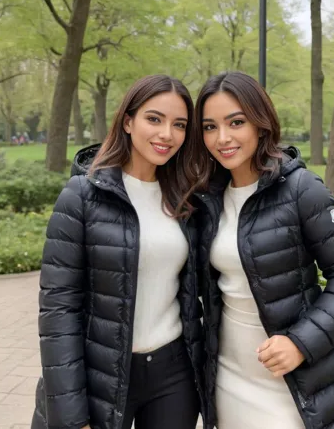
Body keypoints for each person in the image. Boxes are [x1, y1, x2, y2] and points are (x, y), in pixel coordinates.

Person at [191, 71, 334, 429]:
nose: (222, 138)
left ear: (260, 122)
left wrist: (301, 342)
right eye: (209, 127)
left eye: (236, 122)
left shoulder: (300, 188)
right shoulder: (206, 197)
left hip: (298, 375)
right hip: (229, 373)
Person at [32, 74, 205, 429]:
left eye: (179, 124)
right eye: (154, 119)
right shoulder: (82, 195)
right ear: (128, 121)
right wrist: (70, 414)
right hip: (101, 373)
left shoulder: (188, 199)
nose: (166, 134)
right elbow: (58, 309)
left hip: (174, 373)